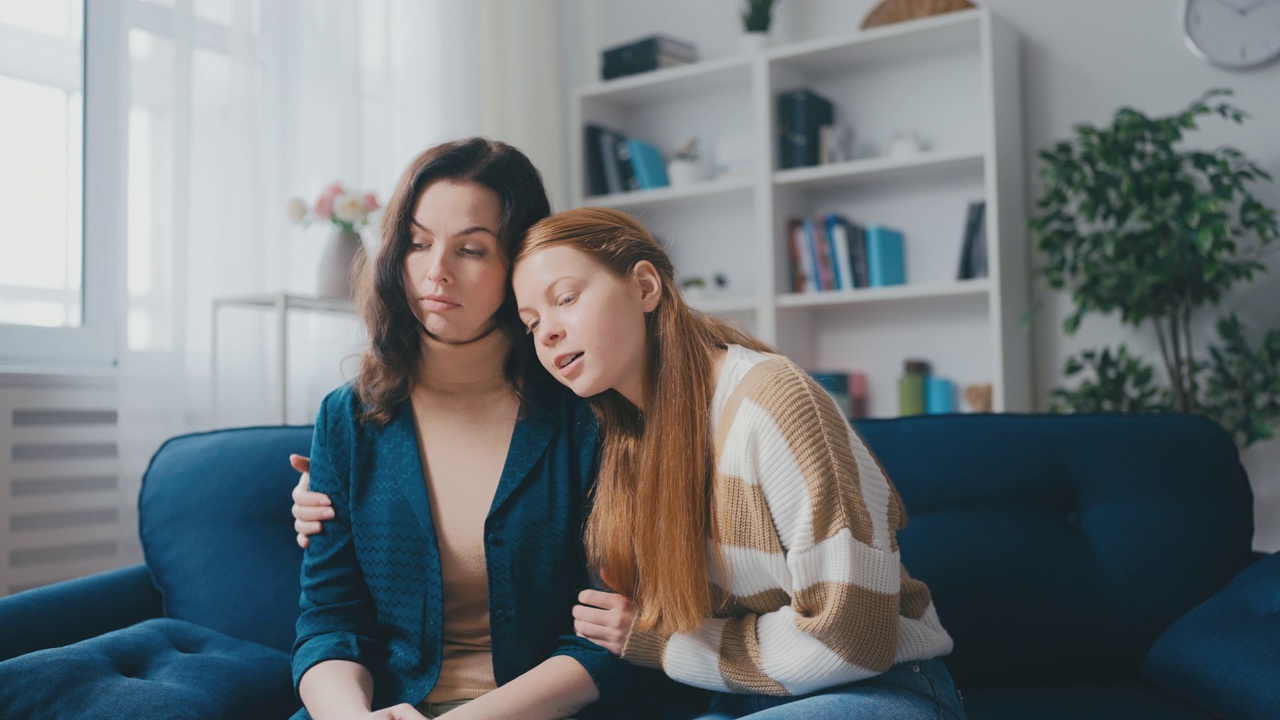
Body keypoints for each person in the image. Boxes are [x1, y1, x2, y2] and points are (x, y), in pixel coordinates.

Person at [507, 206, 966, 720]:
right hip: (748, 701)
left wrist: (663, 644)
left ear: (644, 287)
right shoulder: (625, 441)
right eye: (531, 323)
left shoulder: (771, 400)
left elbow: (853, 637)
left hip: (884, 690)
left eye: (565, 299)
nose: (546, 333)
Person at [289, 139, 640, 720]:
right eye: (418, 243)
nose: (436, 272)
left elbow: (604, 636)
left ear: (520, 264)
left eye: (471, 250)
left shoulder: (587, 412)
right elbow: (330, 619)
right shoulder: (347, 417)